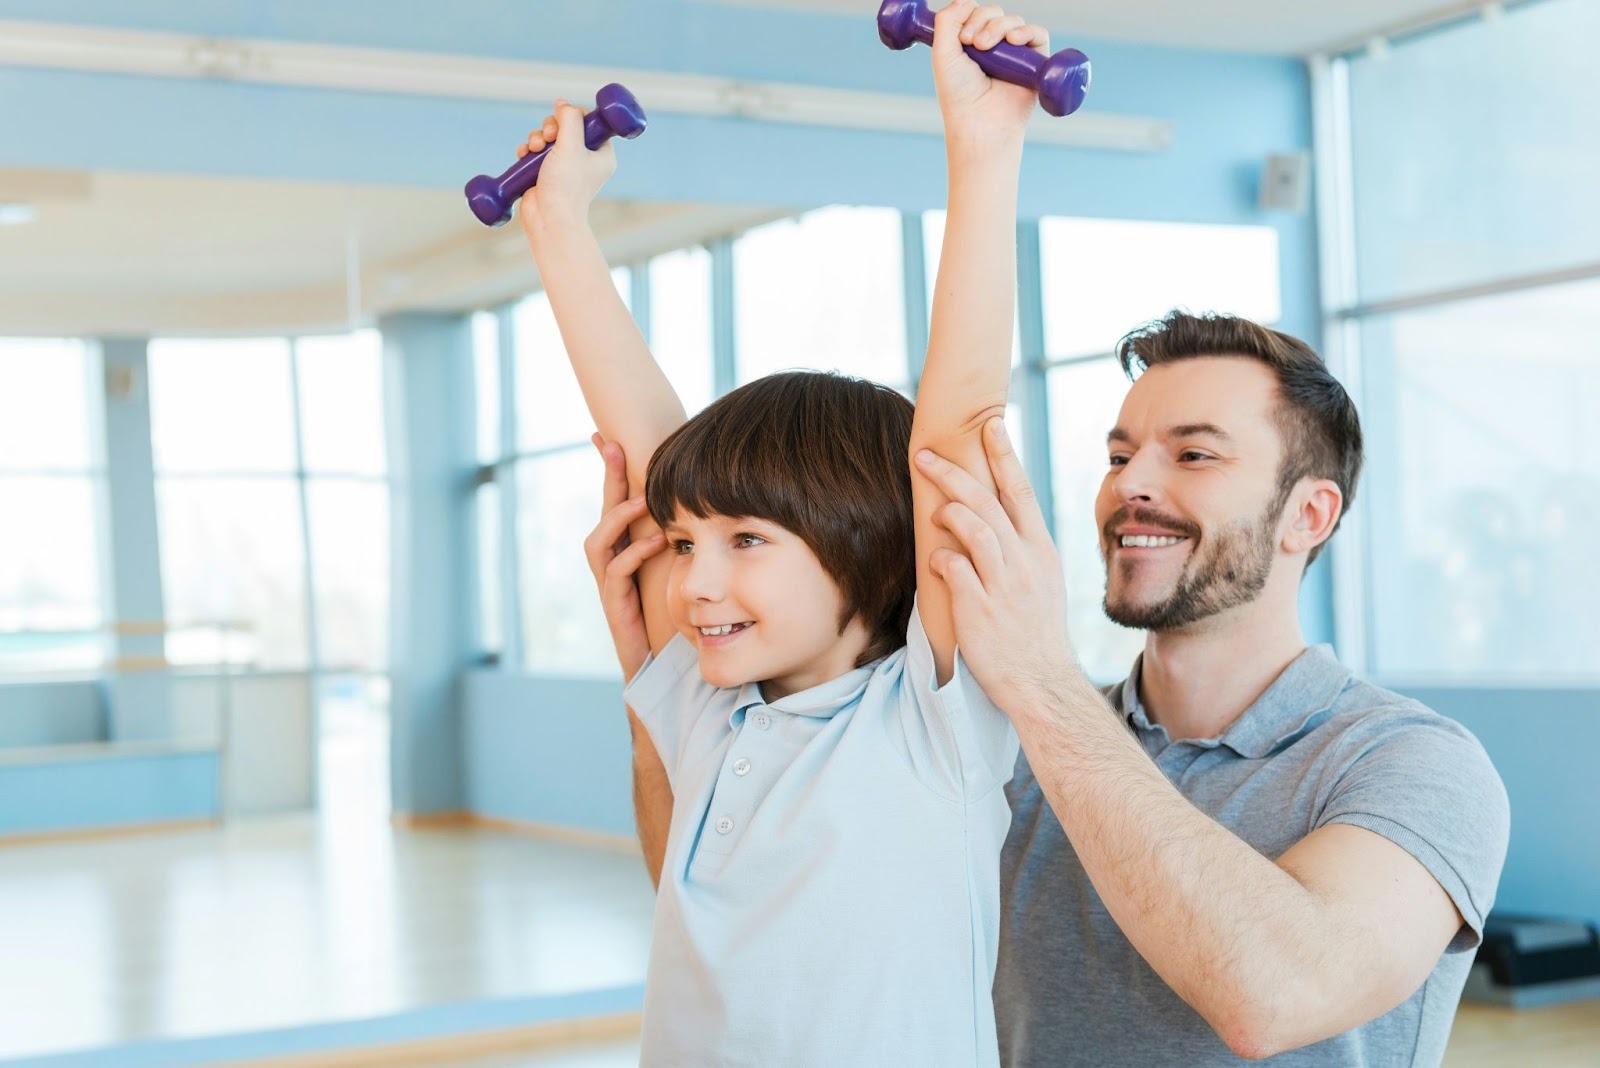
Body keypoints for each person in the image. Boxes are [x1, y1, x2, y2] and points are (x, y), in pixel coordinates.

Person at [516, 1, 1041, 1060]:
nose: (699, 581)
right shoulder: (715, 709)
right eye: (684, 545)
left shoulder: (932, 720)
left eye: (748, 542)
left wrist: (983, 152)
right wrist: (556, 225)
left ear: (870, 546)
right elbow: (650, 445)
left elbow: (957, 424)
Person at [912, 311, 1511, 1065]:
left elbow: (1275, 994)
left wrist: (1038, 675)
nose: (1130, 483)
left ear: (1308, 515)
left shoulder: (1412, 764)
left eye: (1192, 455)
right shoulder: (1023, 751)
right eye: (1119, 455)